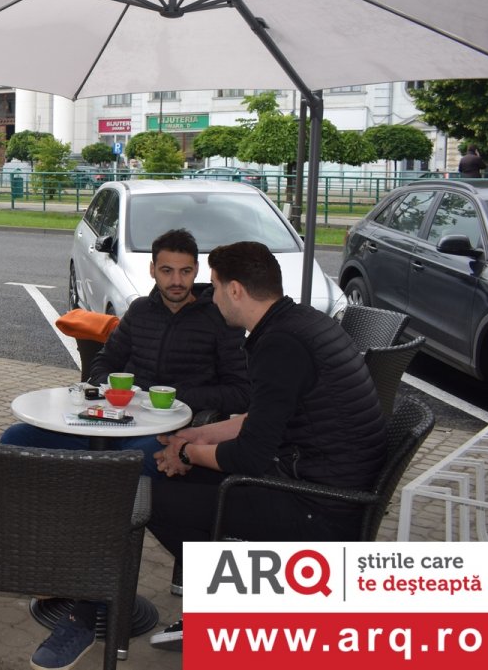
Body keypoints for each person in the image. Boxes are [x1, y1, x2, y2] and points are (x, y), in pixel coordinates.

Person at [141, 241, 387, 652]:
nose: (212, 297)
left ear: (235, 290)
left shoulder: (279, 345)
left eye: (215, 287)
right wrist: (199, 437)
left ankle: (232, 610)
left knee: (149, 498)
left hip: (319, 506)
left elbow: (250, 457)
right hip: (331, 486)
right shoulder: (300, 323)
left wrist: (184, 454)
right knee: (179, 482)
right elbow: (262, 420)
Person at [1, 228, 249, 475]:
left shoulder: (221, 319)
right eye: (166, 271)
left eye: (185, 271)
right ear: (152, 270)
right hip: (113, 422)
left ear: (196, 270)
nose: (176, 281)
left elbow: (241, 392)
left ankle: (96, 494)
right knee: (15, 438)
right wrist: (115, 391)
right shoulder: (139, 311)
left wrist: (175, 397)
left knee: (126, 463)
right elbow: (102, 363)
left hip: (166, 434)